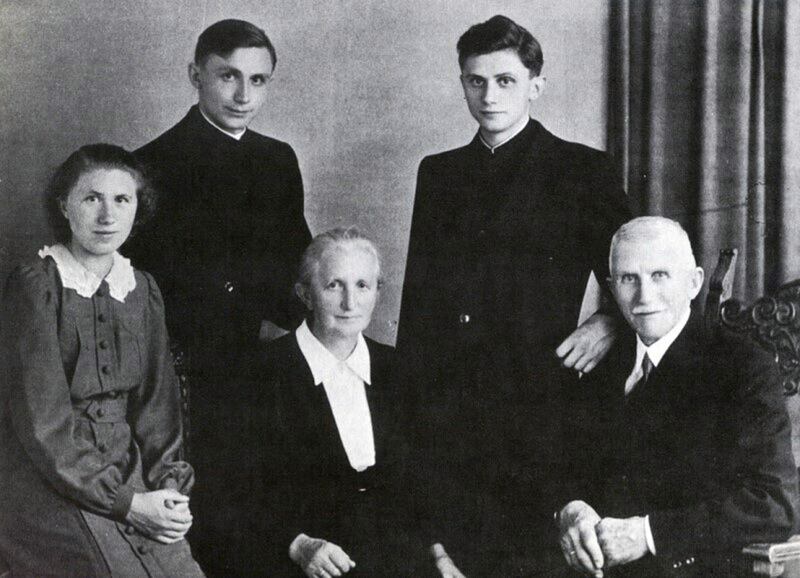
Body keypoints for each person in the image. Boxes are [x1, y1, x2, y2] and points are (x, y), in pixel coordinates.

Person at [397, 14, 632, 575]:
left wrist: (609, 323)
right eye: (475, 80)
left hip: (543, 398)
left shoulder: (582, 169)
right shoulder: (440, 173)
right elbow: (421, 305)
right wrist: (408, 402)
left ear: (535, 85)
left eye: (505, 80)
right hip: (453, 400)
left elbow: (640, 271)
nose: (488, 95)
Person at [125, 19, 311, 573]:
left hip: (269, 356)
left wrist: (301, 329)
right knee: (210, 505)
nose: (243, 95)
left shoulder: (278, 158)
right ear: (195, 75)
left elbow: (297, 262)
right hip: (189, 365)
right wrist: (245, 323)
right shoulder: (149, 164)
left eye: (259, 80)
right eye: (228, 76)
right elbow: (146, 285)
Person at [0, 144, 204, 577]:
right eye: (92, 198)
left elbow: (158, 406)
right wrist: (126, 503)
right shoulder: (36, 285)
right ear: (65, 206)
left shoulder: (143, 289)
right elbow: (43, 424)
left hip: (127, 466)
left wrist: (167, 484)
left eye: (121, 200)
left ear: (136, 208)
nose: (107, 215)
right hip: (47, 479)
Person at [557, 216, 799, 577]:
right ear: (611, 288)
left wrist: (647, 534)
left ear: (694, 282)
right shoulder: (602, 362)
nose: (644, 297)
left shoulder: (743, 366)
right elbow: (563, 465)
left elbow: (776, 503)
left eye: (659, 276)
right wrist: (572, 508)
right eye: (628, 279)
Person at [241, 228, 449, 577]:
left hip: (396, 559)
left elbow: (420, 483)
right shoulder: (261, 375)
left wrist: (440, 556)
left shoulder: (398, 370)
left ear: (377, 293)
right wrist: (298, 544)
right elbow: (234, 493)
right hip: (304, 564)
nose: (350, 303)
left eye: (362, 286)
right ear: (305, 294)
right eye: (334, 285)